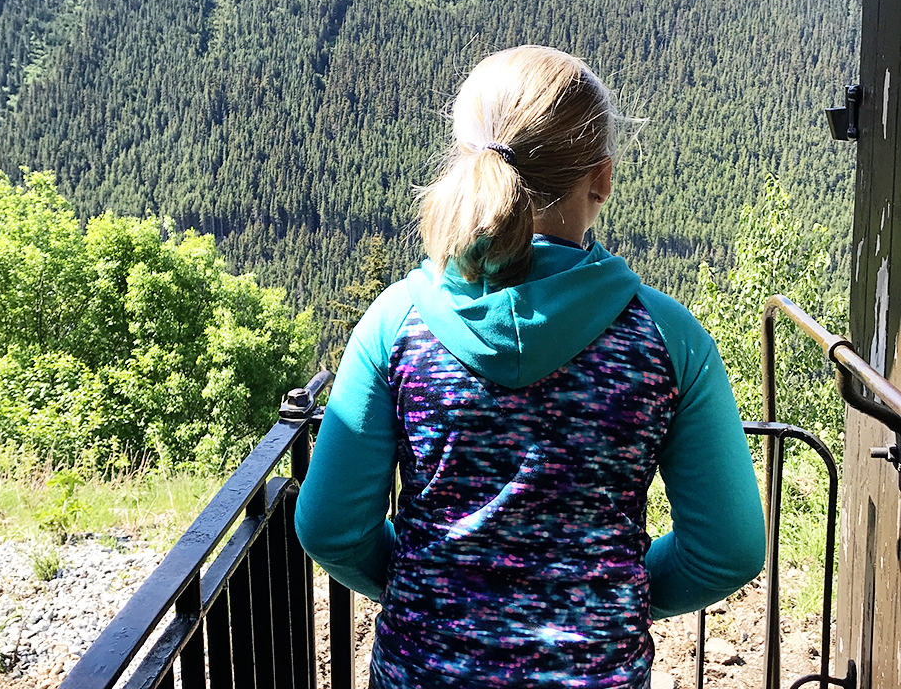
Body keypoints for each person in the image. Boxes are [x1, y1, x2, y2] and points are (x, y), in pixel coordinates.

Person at [295, 45, 765, 689]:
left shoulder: (396, 324)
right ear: (600, 178)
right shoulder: (668, 340)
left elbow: (329, 529)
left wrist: (426, 585)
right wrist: (612, 598)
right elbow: (729, 552)